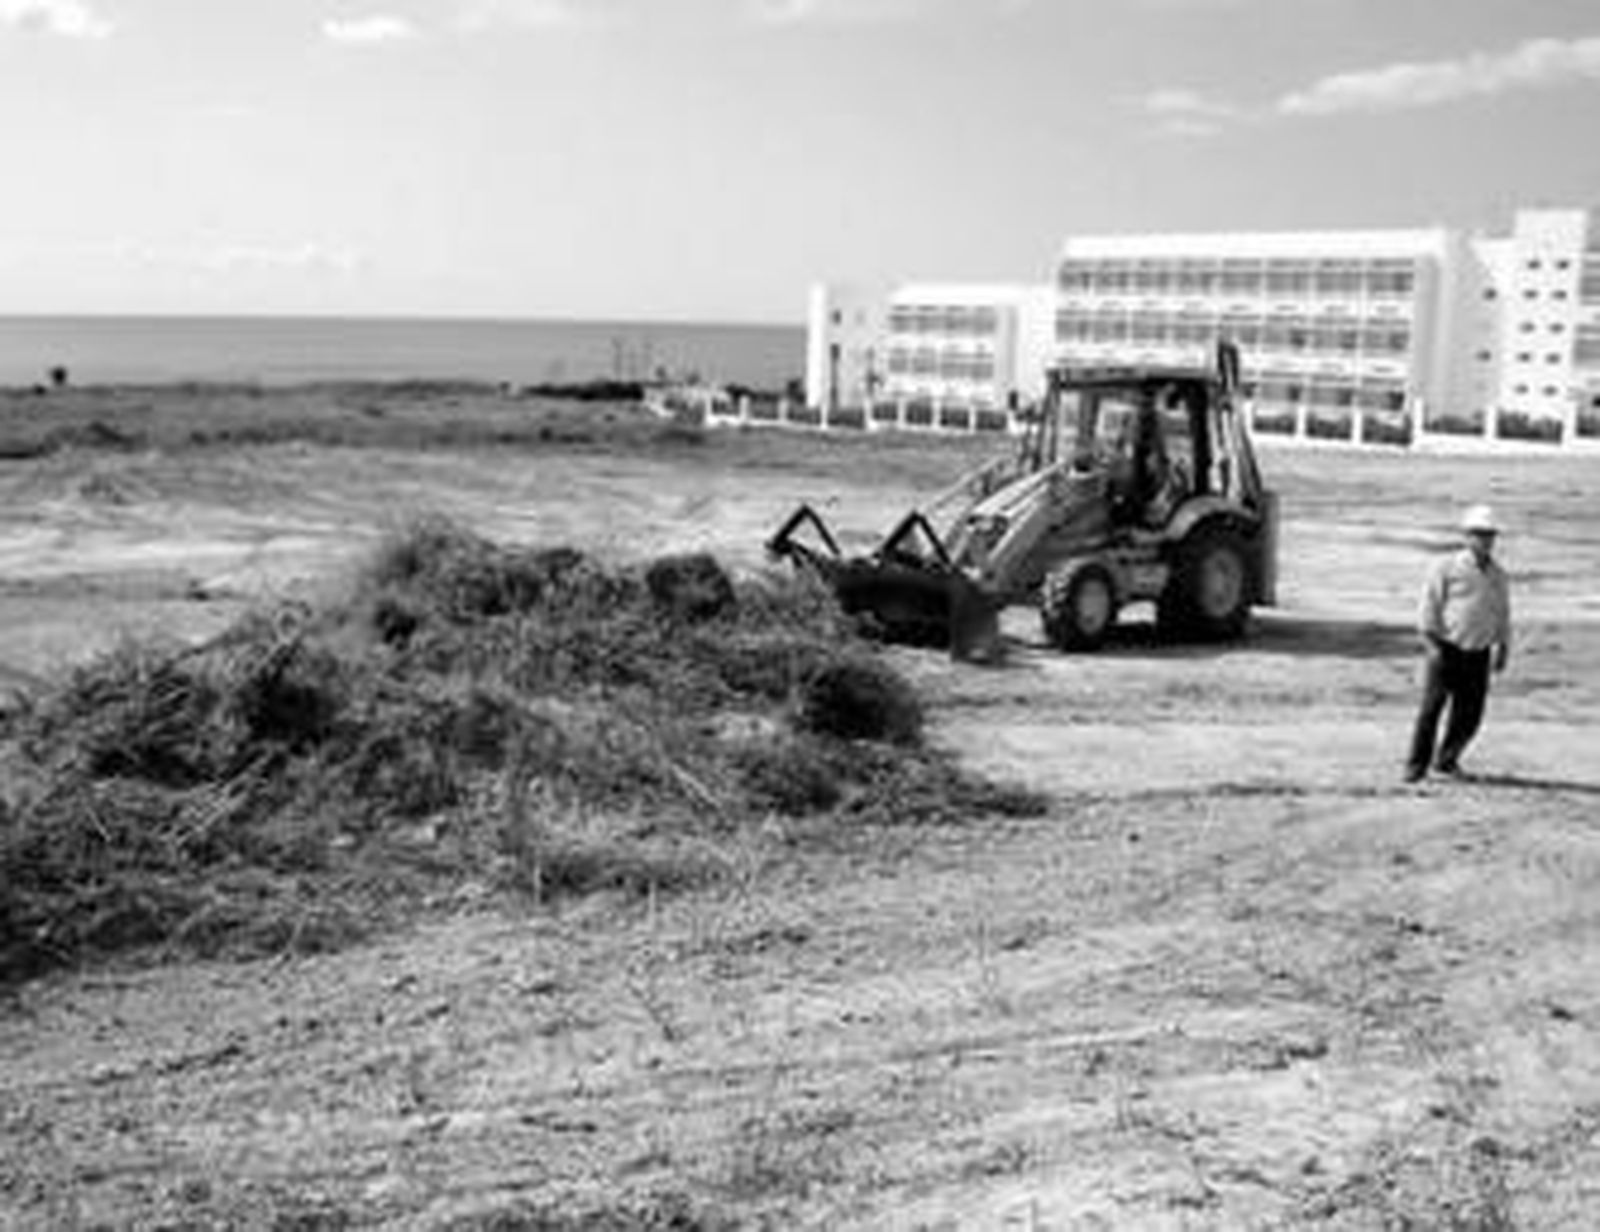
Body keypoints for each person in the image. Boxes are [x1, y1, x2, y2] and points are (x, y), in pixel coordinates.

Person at [1404, 504, 1512, 782]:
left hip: (1480, 653)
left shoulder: (1499, 574)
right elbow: (1430, 606)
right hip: (1446, 649)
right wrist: (1431, 644)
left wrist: (1503, 647)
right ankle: (1415, 767)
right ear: (1466, 536)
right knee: (1432, 709)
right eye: (1478, 533)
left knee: (1470, 716)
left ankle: (1447, 759)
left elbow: (1502, 612)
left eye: (1489, 534)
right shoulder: (1446, 567)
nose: (1485, 539)